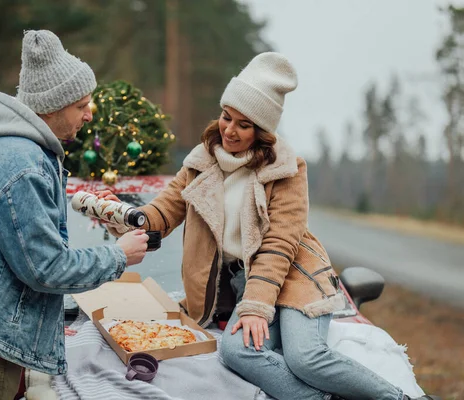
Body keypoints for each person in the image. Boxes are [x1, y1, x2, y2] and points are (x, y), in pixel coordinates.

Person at [99, 53, 439, 400]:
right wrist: (124, 215)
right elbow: (163, 212)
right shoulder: (200, 164)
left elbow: (279, 244)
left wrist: (257, 306)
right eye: (226, 117)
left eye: (243, 125)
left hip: (292, 276)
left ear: (261, 132)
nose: (229, 130)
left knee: (305, 358)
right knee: (237, 350)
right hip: (242, 282)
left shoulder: (287, 170)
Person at [0, 29, 149, 400]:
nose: (89, 115)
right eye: (81, 105)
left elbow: (1, 236)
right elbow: (46, 268)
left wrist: (84, 206)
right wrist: (119, 255)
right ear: (53, 107)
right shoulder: (25, 165)